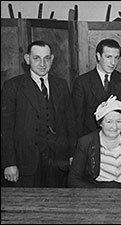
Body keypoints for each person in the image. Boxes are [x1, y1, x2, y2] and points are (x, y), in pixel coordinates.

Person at [1, 40, 76, 187]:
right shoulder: (12, 87)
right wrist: (9, 163)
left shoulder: (61, 85)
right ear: (27, 59)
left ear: (52, 59)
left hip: (57, 163)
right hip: (26, 164)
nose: (42, 63)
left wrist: (73, 155)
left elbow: (70, 123)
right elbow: (5, 129)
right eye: (37, 58)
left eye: (46, 58)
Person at [68, 96, 121, 188]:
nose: (114, 127)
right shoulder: (85, 143)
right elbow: (73, 179)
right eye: (109, 122)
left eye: (118, 121)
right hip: (97, 193)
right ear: (100, 123)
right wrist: (96, 193)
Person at [72, 39, 121, 139]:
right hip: (91, 140)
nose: (113, 62)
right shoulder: (82, 82)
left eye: (116, 58)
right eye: (108, 57)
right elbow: (77, 120)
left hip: (118, 141)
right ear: (98, 56)